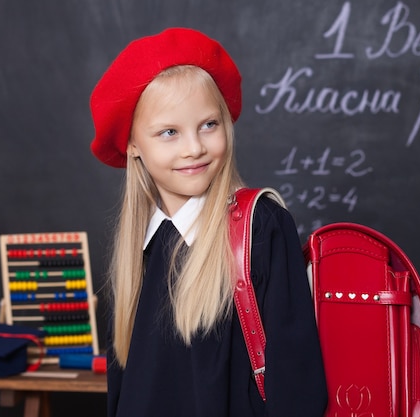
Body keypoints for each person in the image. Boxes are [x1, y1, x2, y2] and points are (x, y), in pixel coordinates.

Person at [89, 27, 327, 417]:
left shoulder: (261, 227)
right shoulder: (141, 246)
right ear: (133, 145)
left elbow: (297, 383)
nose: (194, 148)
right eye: (169, 132)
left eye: (208, 125)